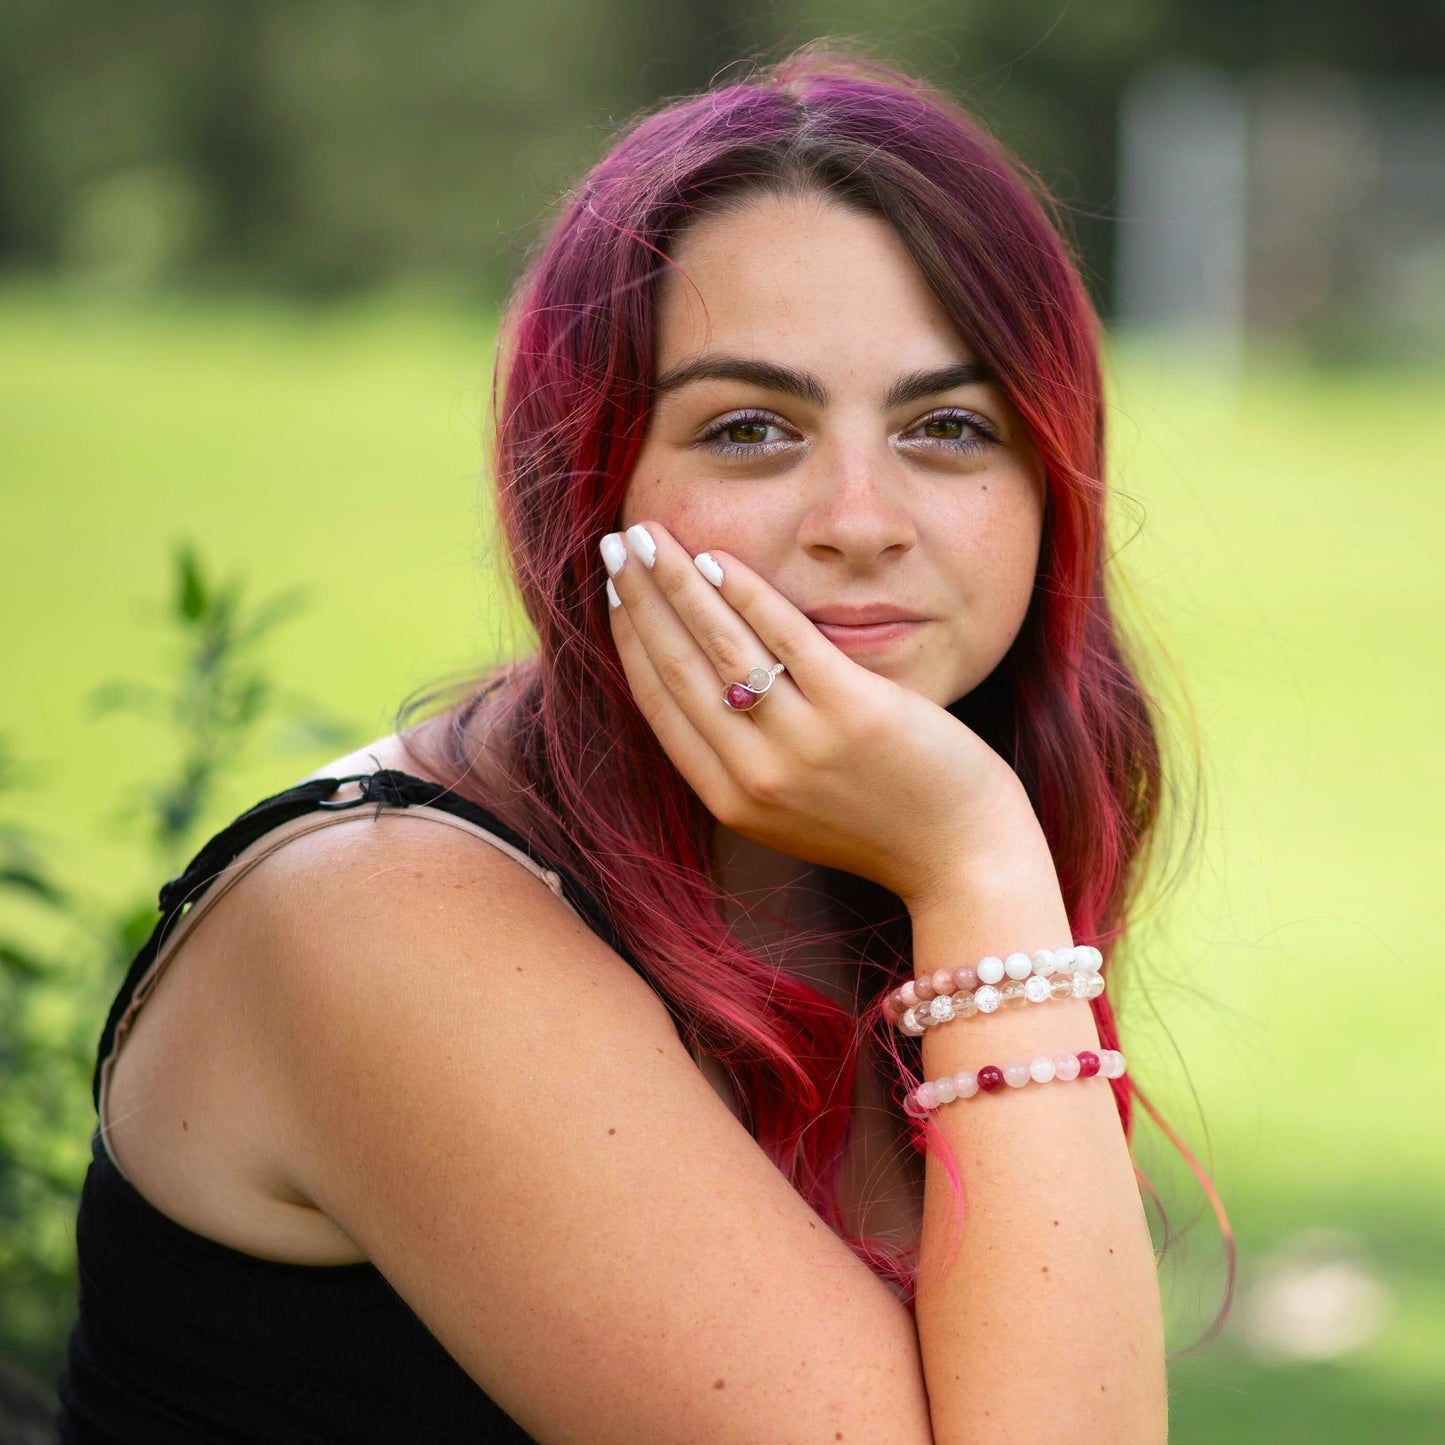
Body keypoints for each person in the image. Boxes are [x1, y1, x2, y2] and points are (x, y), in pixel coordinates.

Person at [58, 47, 1229, 1444]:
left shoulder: (861, 868)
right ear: (589, 480)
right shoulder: (382, 914)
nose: (862, 516)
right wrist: (979, 863)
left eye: (946, 426)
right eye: (748, 428)